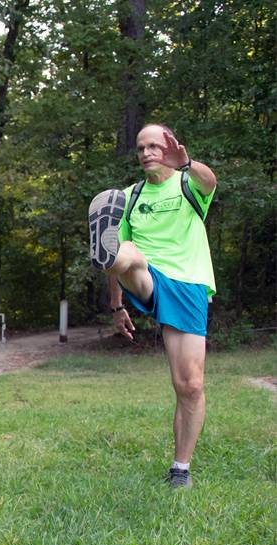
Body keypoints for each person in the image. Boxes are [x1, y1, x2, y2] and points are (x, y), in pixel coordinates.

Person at [87, 123, 217, 488]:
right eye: (140, 148)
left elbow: (211, 183)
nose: (145, 153)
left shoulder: (188, 184)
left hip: (188, 284)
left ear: (170, 147)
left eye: (154, 146)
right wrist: (116, 307)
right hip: (147, 274)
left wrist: (187, 162)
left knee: (189, 384)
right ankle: (107, 252)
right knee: (126, 256)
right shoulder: (128, 196)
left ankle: (180, 468)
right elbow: (122, 261)